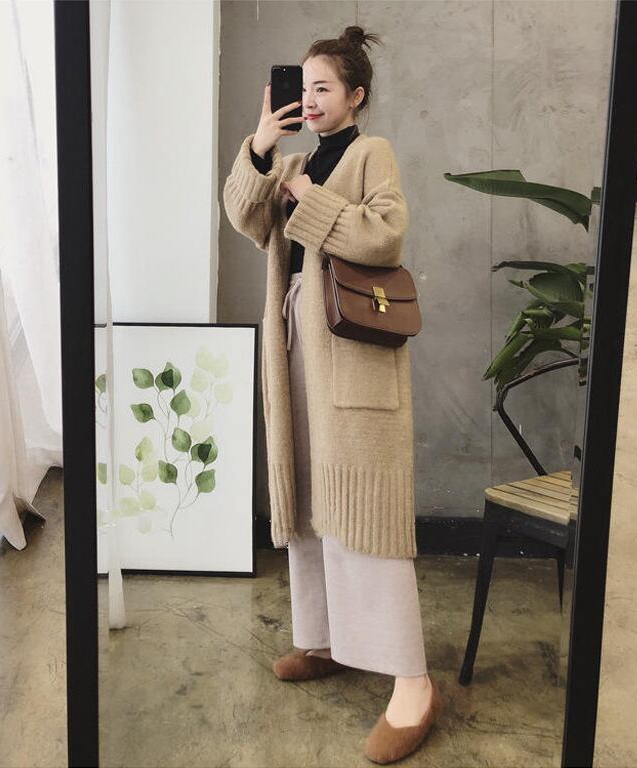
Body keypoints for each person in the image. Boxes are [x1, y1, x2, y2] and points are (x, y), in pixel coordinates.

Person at [223, 26, 443, 764]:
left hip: (349, 355)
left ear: (356, 95)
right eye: (303, 87)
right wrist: (261, 148)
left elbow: (385, 237)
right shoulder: (288, 161)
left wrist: (310, 199)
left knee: (363, 507)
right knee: (313, 498)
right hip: (296, 351)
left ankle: (412, 684)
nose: (311, 99)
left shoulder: (371, 153)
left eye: (324, 87)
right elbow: (246, 219)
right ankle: (323, 640)